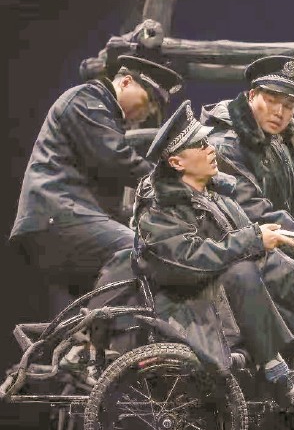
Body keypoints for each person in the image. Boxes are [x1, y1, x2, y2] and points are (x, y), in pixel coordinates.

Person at [133, 101, 294, 408]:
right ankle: (277, 374)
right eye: (200, 145)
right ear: (177, 162)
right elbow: (186, 260)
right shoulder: (159, 208)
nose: (211, 149)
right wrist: (252, 239)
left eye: (208, 142)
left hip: (224, 304)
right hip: (184, 309)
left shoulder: (219, 201)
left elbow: (263, 257)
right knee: (241, 271)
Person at [201, 56, 294, 391]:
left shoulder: (288, 143)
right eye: (272, 100)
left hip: (291, 251)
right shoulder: (224, 144)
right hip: (247, 256)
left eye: (289, 105)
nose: (280, 112)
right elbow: (252, 210)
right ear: (252, 96)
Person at [11, 54, 183, 309]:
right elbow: (114, 158)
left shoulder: (103, 113)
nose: (148, 112)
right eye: (149, 101)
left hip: (66, 217)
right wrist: (175, 182)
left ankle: (97, 330)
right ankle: (96, 327)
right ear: (126, 82)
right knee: (140, 252)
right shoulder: (87, 99)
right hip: (58, 215)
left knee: (130, 289)